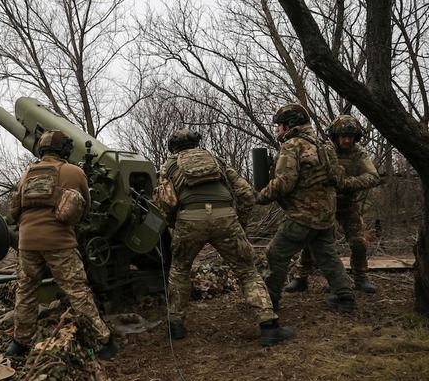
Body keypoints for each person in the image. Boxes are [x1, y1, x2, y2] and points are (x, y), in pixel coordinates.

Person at [155, 128, 294, 347]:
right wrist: (241, 223)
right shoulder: (215, 159)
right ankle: (269, 326)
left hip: (189, 219)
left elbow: (165, 202)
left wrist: (176, 224)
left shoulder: (168, 166)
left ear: (173, 147)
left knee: (180, 270)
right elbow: (246, 193)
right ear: (196, 144)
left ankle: (176, 326)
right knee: (248, 272)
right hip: (225, 217)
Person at [5, 129, 119, 360]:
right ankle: (104, 340)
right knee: (77, 291)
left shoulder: (26, 173)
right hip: (58, 241)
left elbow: (15, 209)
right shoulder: (73, 171)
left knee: (26, 291)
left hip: (27, 242)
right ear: (64, 150)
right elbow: (86, 207)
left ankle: (19, 342)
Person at [256, 104, 356, 313]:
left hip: (302, 216)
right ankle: (345, 296)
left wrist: (260, 196)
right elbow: (339, 178)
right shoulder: (325, 145)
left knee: (275, 254)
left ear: (291, 124)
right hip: (326, 215)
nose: (277, 130)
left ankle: (269, 303)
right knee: (327, 255)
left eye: (280, 126)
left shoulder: (293, 145)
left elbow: (284, 183)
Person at [285, 115, 380, 294]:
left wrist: (347, 183)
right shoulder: (324, 150)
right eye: (343, 136)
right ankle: (301, 277)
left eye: (350, 137)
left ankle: (360, 278)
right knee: (312, 242)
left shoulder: (358, 153)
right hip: (326, 204)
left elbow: (373, 176)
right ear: (335, 136)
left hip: (349, 205)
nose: (346, 140)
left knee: (359, 243)